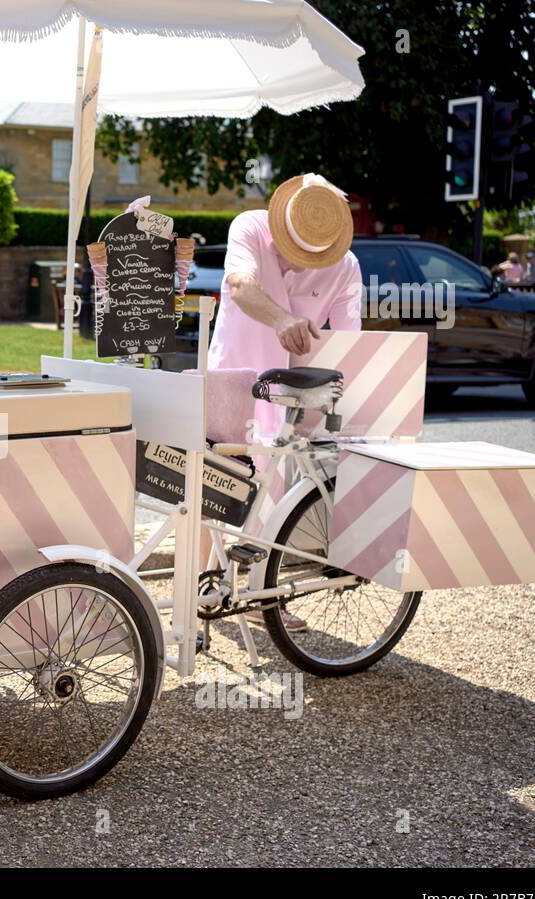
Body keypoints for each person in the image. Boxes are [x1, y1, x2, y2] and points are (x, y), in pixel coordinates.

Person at [207, 172, 361, 632]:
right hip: (232, 382)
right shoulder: (250, 227)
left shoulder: (346, 265)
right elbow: (239, 285)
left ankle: (257, 596)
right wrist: (281, 319)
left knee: (272, 493)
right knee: (210, 484)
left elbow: (349, 339)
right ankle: (204, 582)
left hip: (291, 395)